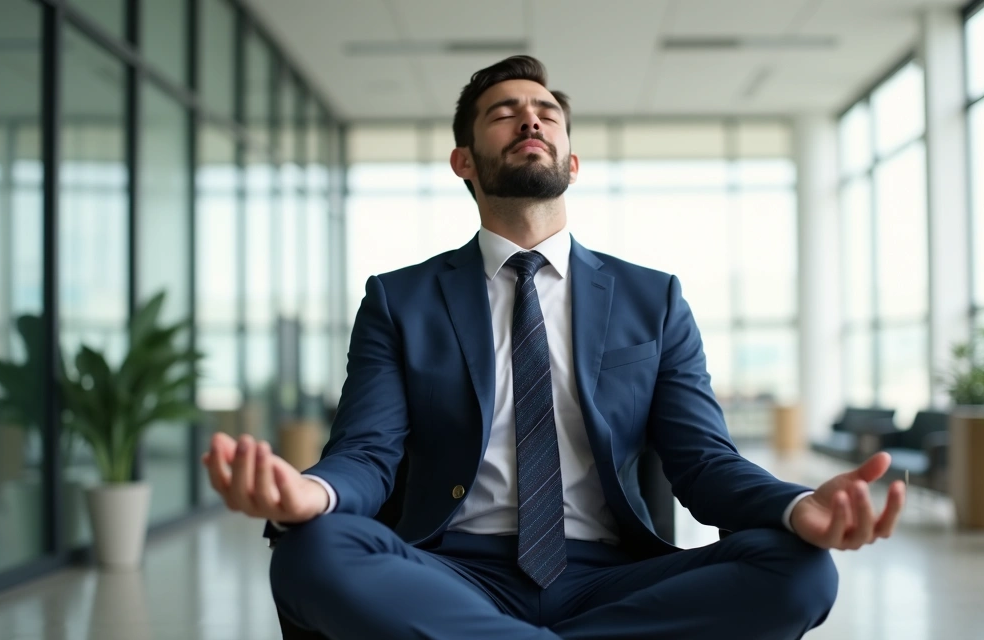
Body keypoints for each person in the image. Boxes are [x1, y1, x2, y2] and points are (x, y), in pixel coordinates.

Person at [203, 55, 905, 640]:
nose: (529, 118)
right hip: (452, 571)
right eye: (502, 112)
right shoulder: (401, 299)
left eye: (545, 111)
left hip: (610, 574)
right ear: (463, 160)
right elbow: (370, 452)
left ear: (572, 158)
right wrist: (313, 491)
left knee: (802, 568)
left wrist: (796, 505)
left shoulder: (651, 299)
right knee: (312, 548)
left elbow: (704, 463)